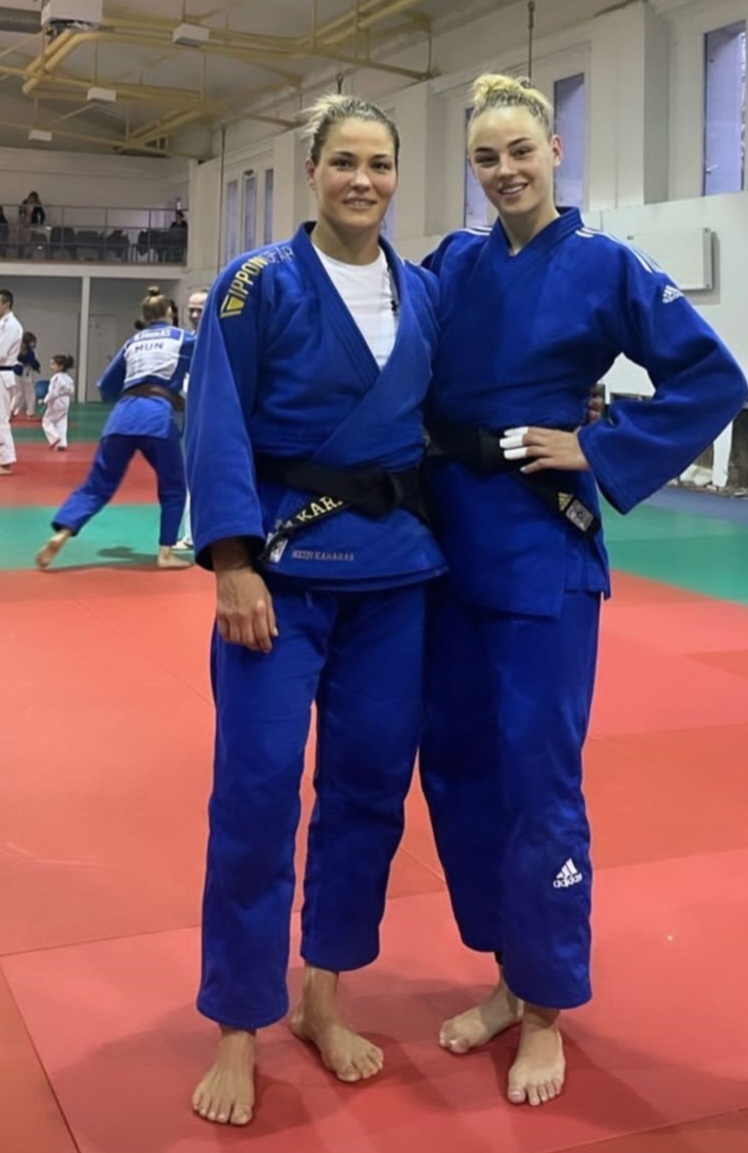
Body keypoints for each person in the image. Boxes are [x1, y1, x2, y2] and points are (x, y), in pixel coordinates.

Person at [420, 73, 748, 1109]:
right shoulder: (452, 262)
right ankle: (505, 973)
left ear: (556, 150)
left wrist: (596, 446)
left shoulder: (605, 264)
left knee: (538, 780)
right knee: (457, 768)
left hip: (539, 550)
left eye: (520, 149)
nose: (504, 170)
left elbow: (714, 377)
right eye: (486, 157)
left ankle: (548, 1004)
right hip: (441, 543)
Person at [185, 94, 444, 1127]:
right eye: (344, 162)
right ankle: (237, 1023)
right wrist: (231, 560)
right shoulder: (257, 284)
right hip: (280, 575)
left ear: (396, 174)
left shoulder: (423, 293)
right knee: (254, 791)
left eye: (379, 163)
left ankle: (322, 996)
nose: (362, 180)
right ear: (312, 172)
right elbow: (215, 421)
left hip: (394, 578)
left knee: (368, 790)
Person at [35, 286, 195, 570]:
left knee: (97, 484)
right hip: (156, 417)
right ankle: (165, 552)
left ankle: (63, 532)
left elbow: (106, 386)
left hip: (121, 416)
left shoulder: (132, 342)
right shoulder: (184, 338)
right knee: (173, 485)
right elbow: (209, 365)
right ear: (169, 313)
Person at [172, 288, 209, 552]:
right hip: (194, 419)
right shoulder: (189, 342)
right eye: (192, 310)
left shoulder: (222, 339)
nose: (195, 315)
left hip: (219, 418)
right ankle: (193, 535)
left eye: (200, 310)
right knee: (193, 475)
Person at [0, 288, 23, 476]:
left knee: (0, 419)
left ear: (6, 303)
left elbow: (1, 353)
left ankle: (5, 462)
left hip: (3, 374)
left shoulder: (12, 326)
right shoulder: (3, 323)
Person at [41, 354, 75, 450]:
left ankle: (54, 437)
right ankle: (62, 444)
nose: (51, 366)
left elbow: (53, 393)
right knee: (61, 423)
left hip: (56, 402)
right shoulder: (68, 378)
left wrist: (45, 400)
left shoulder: (56, 378)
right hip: (65, 402)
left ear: (61, 366)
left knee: (47, 421)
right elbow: (72, 391)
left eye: (53, 364)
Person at [11, 331, 41, 419]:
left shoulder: (17, 349)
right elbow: (32, 362)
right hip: (23, 373)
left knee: (19, 393)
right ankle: (29, 412)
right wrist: (37, 367)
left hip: (19, 373)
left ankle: (12, 410)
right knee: (28, 393)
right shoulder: (27, 352)